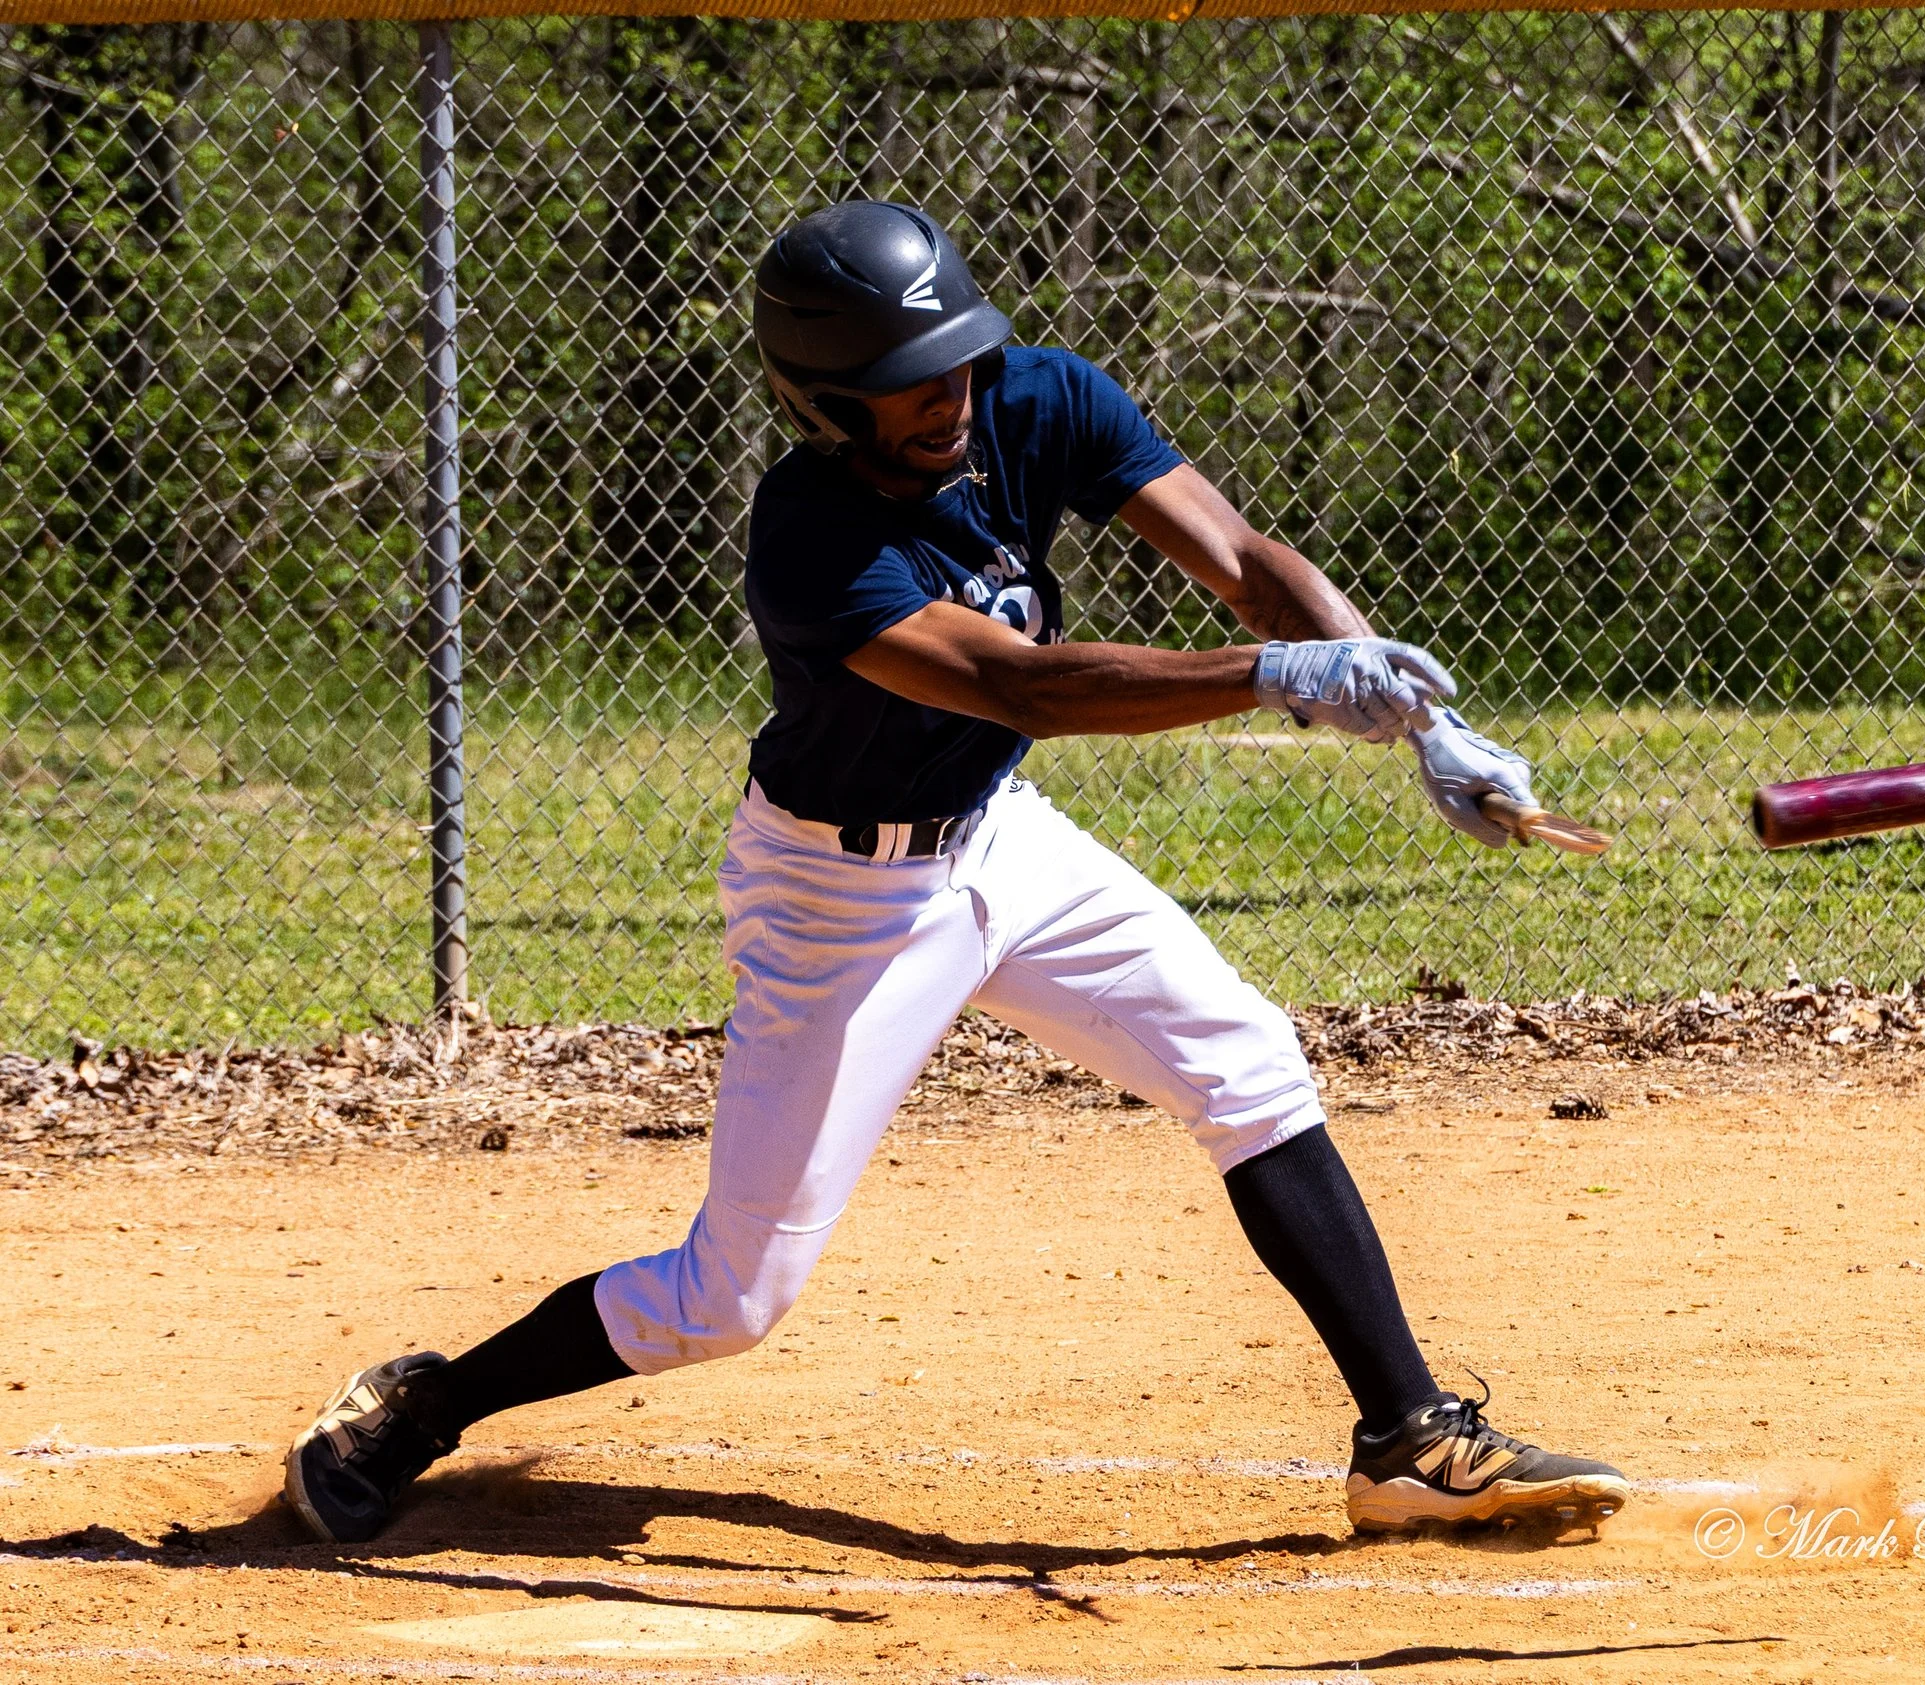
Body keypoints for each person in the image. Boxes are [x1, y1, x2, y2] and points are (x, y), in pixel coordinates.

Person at [283, 200, 1628, 1545]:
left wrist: (1417, 717)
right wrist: (1276, 676)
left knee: (1247, 1062)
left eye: (959, 359)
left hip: (996, 835)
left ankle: (1407, 1437)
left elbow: (1239, 560)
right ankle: (424, 1408)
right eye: (906, 382)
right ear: (825, 404)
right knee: (729, 1299)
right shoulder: (811, 537)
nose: (950, 396)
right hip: (837, 898)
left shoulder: (1037, 397)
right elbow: (1019, 684)